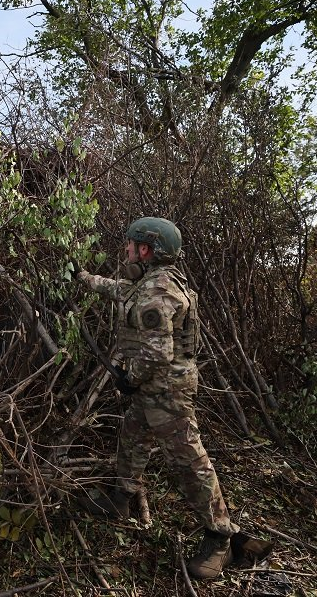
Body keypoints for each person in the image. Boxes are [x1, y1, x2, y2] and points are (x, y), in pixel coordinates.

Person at [74, 216, 239, 580]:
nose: (126, 251)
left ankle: (221, 539)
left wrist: (129, 378)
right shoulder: (150, 282)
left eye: (131, 245)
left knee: (189, 461)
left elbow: (157, 353)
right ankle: (123, 499)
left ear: (145, 249)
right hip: (153, 388)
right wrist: (84, 278)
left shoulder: (157, 292)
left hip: (167, 393)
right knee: (132, 438)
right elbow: (119, 289)